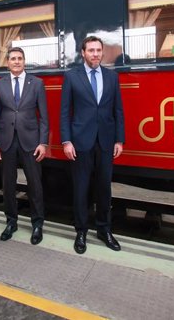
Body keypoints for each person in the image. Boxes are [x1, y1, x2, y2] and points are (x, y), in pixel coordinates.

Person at [60, 36, 125, 255]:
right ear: (83, 53)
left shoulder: (112, 77)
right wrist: (66, 141)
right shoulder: (71, 77)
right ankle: (81, 232)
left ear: (102, 52)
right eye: (91, 50)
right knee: (81, 189)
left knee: (104, 188)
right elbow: (65, 112)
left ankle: (104, 230)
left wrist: (119, 139)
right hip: (80, 142)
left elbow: (118, 110)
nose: (95, 54)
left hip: (106, 141)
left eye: (98, 50)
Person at [0, 47, 48, 245]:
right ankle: (11, 222)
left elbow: (44, 117)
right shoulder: (0, 85)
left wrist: (43, 142)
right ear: (8, 63)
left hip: (31, 142)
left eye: (19, 58)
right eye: (13, 58)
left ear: (24, 61)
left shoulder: (37, 84)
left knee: (35, 184)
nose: (16, 61)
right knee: (8, 184)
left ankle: (37, 224)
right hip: (6, 141)